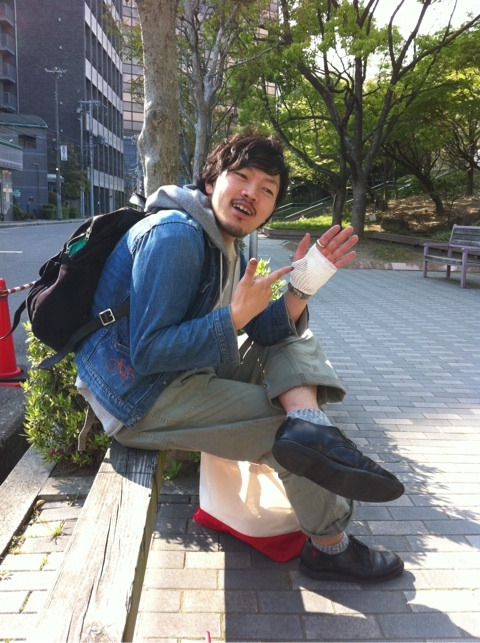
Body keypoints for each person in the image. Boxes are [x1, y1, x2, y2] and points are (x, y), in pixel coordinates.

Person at [75, 131, 405, 582]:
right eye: (242, 177)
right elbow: (148, 353)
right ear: (212, 182)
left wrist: (303, 285)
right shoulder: (176, 236)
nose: (252, 193)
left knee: (291, 344)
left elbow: (264, 331)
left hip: (181, 372)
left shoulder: (222, 240)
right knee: (285, 435)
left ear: (271, 208)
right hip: (138, 397)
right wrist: (232, 318)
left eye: (267, 189)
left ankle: (311, 424)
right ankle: (331, 548)